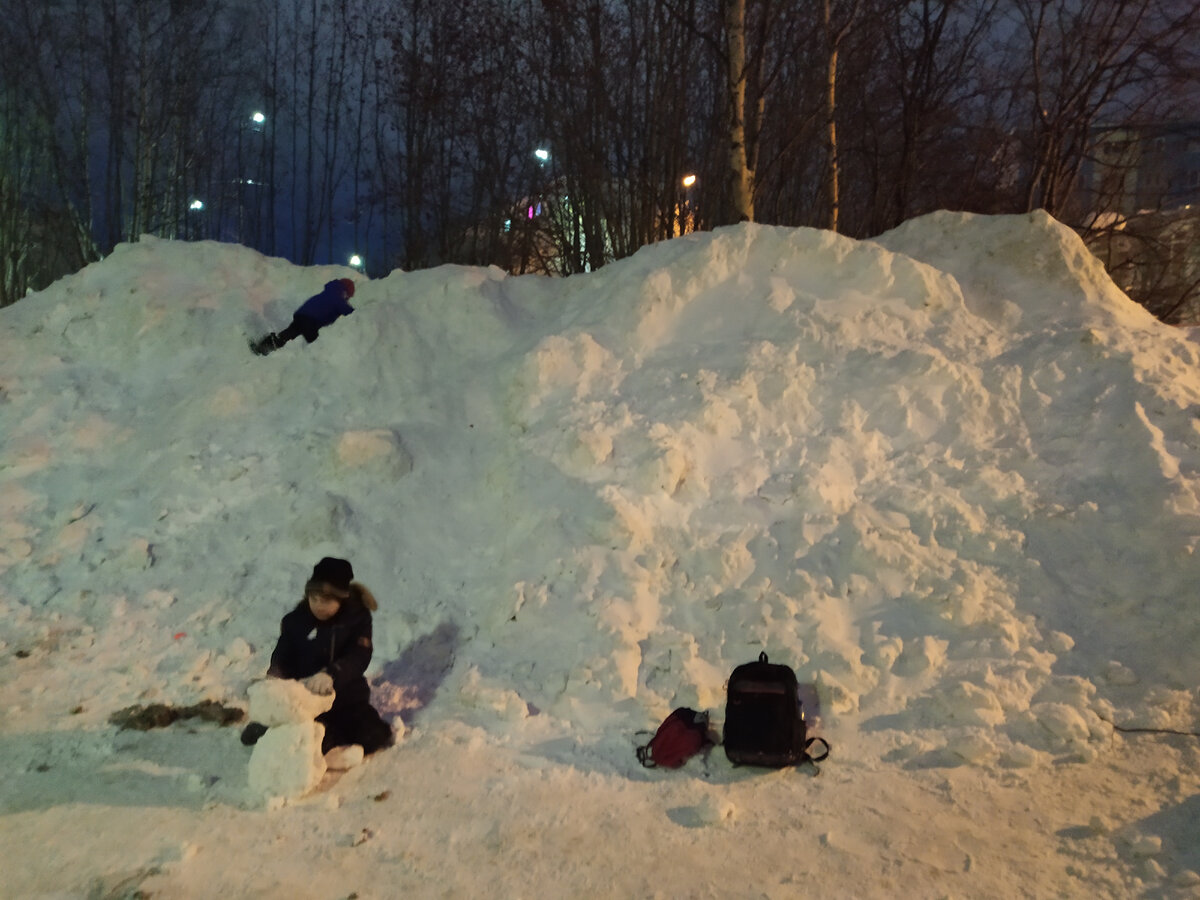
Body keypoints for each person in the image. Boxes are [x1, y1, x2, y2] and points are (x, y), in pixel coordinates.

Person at [241, 557, 394, 760]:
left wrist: (332, 674)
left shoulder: (357, 619)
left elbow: (359, 656)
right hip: (304, 699)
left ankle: (330, 734)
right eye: (314, 599)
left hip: (346, 698)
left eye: (327, 600)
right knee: (298, 732)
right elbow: (283, 654)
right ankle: (283, 730)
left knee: (375, 734)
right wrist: (275, 677)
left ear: (342, 598)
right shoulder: (296, 620)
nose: (319, 605)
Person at [251, 277, 356, 355]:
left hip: (302, 315)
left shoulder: (331, 292)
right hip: (310, 321)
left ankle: (262, 347)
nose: (347, 299)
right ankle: (316, 371)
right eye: (348, 295)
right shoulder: (336, 296)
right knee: (318, 347)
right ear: (345, 291)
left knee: (286, 336)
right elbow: (351, 312)